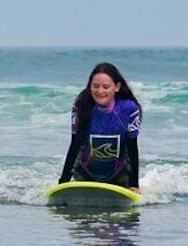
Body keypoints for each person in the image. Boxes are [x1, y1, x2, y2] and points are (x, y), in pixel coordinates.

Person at [58, 62, 142, 192]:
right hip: (85, 173)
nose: (100, 91)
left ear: (117, 87)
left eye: (106, 87)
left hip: (119, 175)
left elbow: (131, 148)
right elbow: (75, 145)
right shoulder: (81, 106)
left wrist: (134, 185)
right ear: (90, 86)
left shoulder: (129, 109)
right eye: (96, 86)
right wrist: (62, 182)